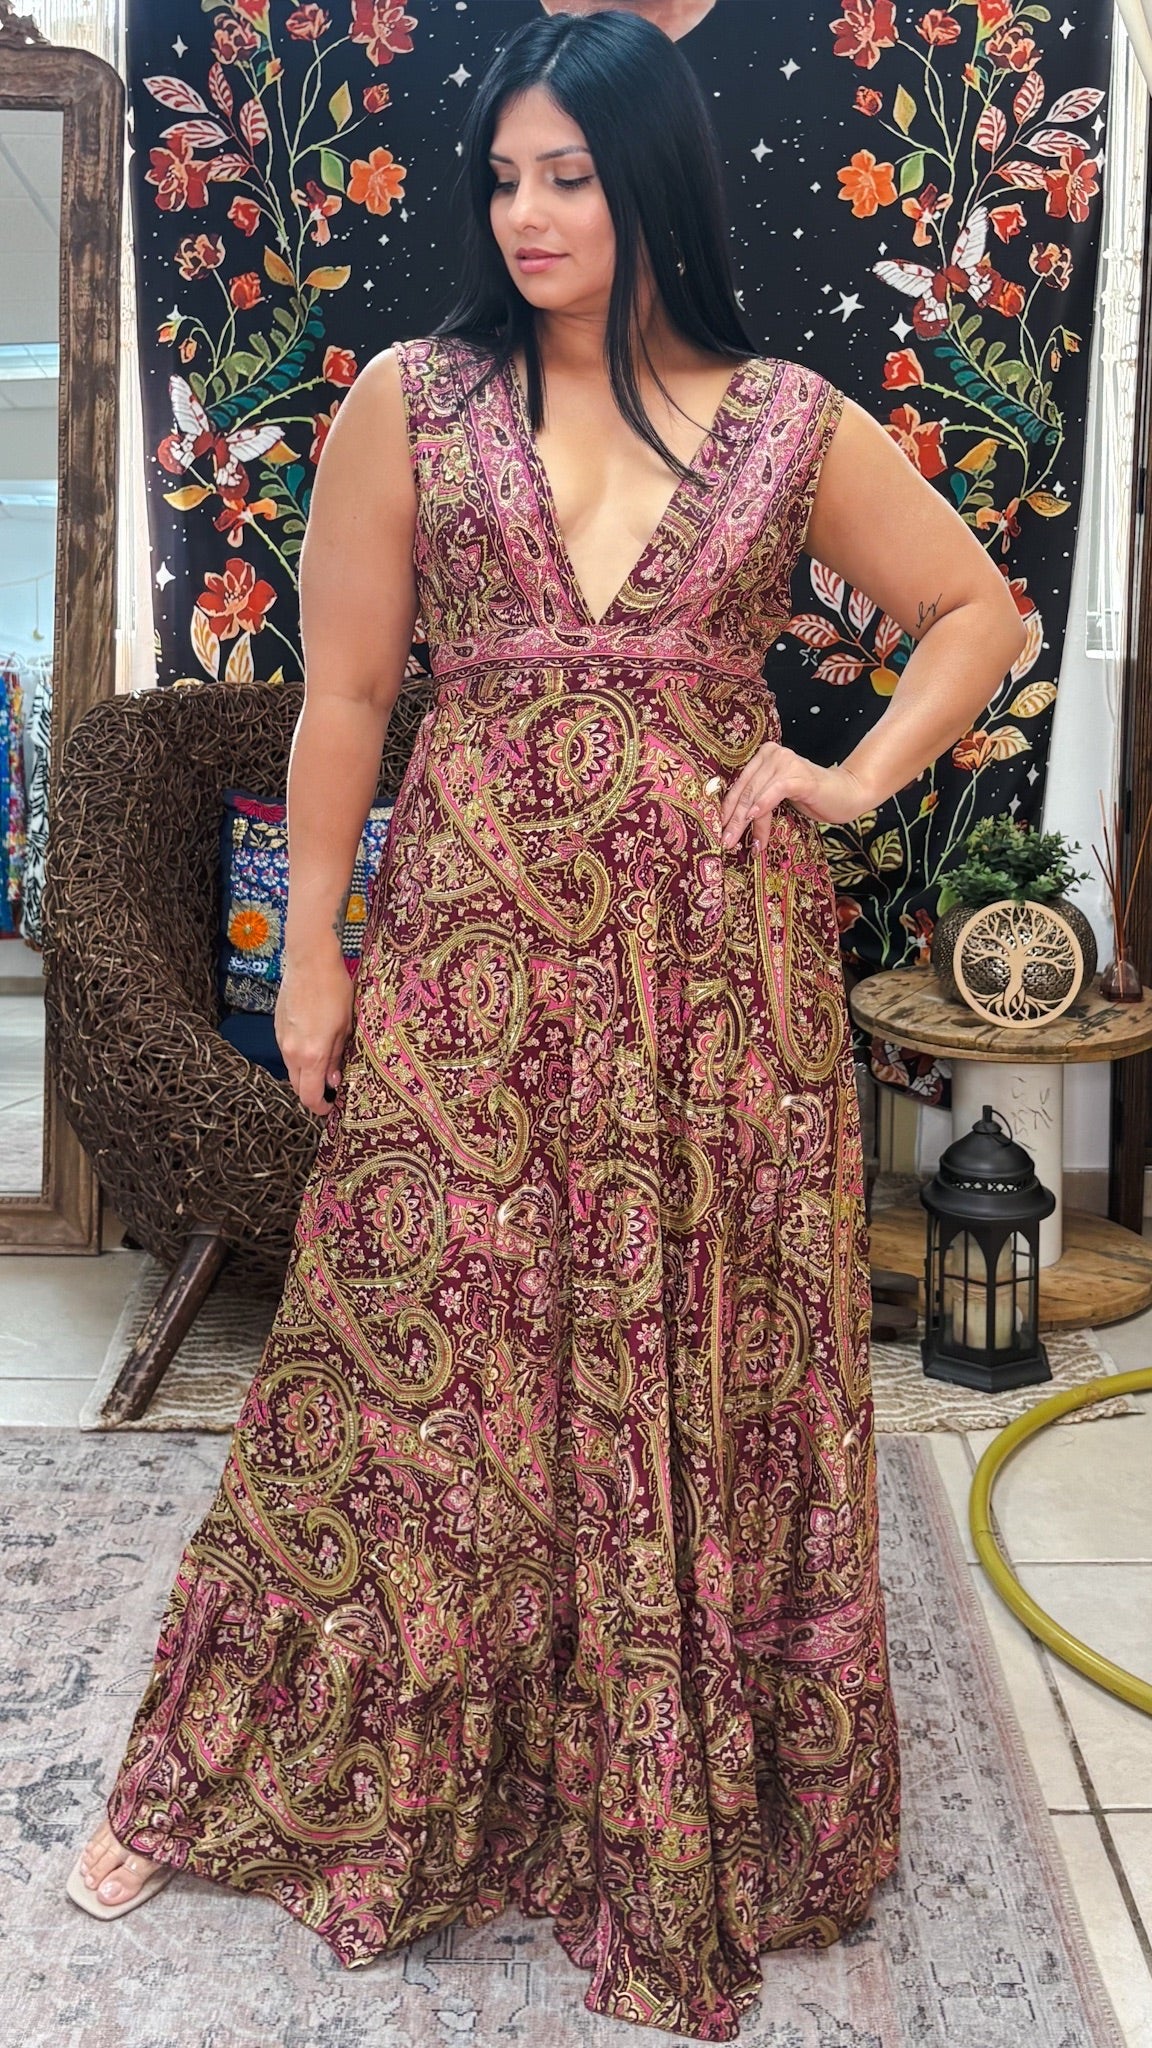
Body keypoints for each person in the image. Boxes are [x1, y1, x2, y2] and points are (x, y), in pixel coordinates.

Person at [69, 8, 1027, 2040]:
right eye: (503, 177)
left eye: (569, 177)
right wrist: (311, 959)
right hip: (466, 973)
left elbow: (980, 614)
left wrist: (850, 778)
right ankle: (259, 1754)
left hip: (717, 997)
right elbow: (346, 699)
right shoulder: (410, 403)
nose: (526, 213)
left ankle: (653, 1785)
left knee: (696, 1368)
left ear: (651, 179)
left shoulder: (787, 421)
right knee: (395, 1366)